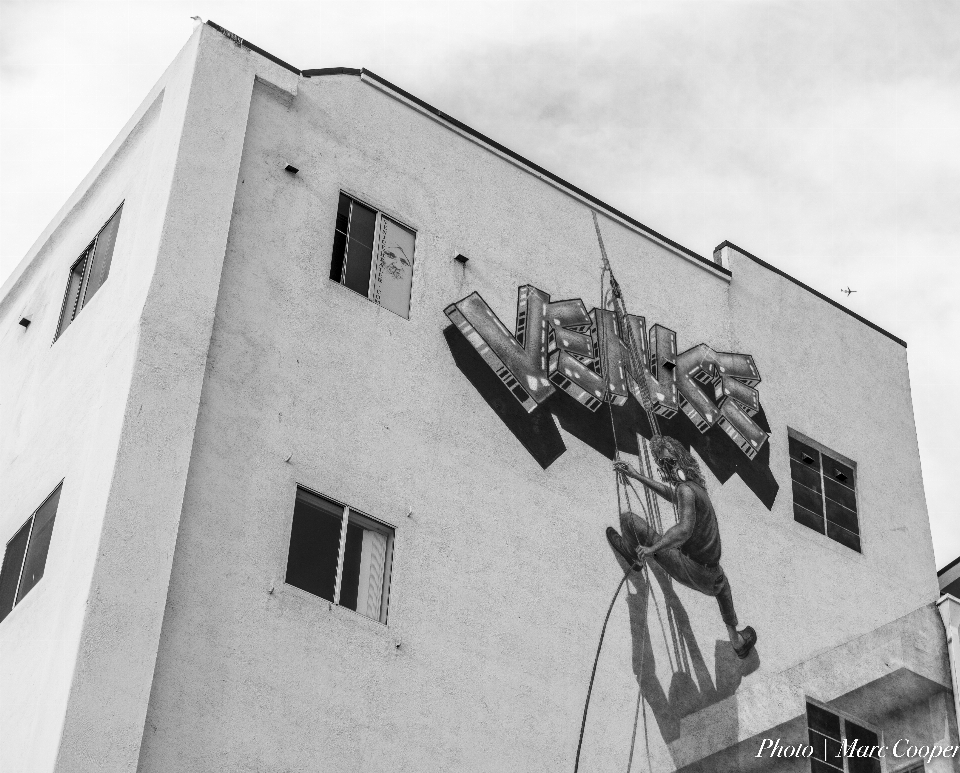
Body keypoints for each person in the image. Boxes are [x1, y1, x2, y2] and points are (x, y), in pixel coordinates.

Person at [608, 435, 757, 659]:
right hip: (712, 575)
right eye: (663, 463)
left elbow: (684, 529)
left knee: (629, 520)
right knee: (723, 589)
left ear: (681, 458)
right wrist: (636, 475)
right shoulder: (694, 487)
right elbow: (672, 494)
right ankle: (737, 641)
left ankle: (633, 556)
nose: (668, 466)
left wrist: (652, 548)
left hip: (689, 568)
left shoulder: (686, 490)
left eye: (671, 461)